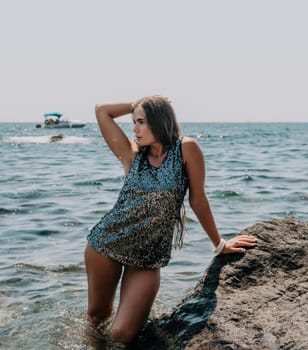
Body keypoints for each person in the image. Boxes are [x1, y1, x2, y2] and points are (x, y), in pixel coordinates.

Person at [84, 95, 256, 344]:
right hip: (106, 245)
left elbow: (198, 199)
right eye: (133, 122)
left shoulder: (186, 148)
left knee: (121, 335)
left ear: (159, 120)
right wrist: (137, 103)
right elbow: (102, 111)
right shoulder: (132, 155)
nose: (134, 129)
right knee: (97, 318)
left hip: (148, 258)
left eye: (141, 121)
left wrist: (220, 244)